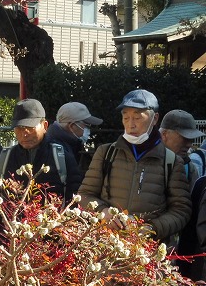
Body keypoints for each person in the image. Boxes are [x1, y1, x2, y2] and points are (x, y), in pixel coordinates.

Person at [77, 89, 191, 243]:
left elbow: (181, 210)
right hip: (105, 245)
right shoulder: (105, 153)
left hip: (147, 249)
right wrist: (103, 212)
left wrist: (151, 228)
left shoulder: (171, 161)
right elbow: (84, 194)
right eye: (126, 117)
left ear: (155, 118)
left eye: (137, 117)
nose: (131, 125)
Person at [0, 99, 83, 203]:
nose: (24, 134)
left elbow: (74, 197)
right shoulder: (3, 159)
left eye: (30, 127)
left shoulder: (61, 156)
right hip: (11, 214)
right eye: (19, 128)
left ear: (45, 126)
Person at [47, 101, 103, 173]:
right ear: (72, 126)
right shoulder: (57, 150)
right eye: (86, 125)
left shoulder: (67, 144)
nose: (88, 130)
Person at [159, 109, 205, 187]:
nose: (189, 144)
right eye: (184, 138)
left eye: (191, 139)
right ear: (164, 134)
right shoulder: (144, 160)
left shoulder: (190, 168)